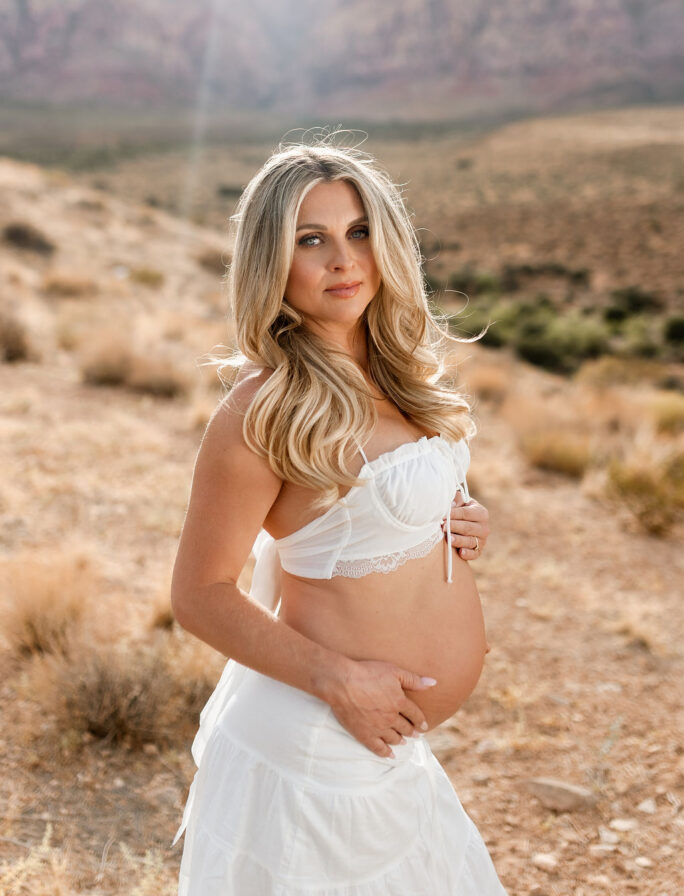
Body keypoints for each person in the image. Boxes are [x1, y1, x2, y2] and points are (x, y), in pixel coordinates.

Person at [170, 133, 508, 894]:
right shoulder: (264, 409)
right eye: (310, 240)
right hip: (314, 754)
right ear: (271, 261)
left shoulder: (397, 375)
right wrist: (338, 681)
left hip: (386, 756)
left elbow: (369, 518)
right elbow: (199, 594)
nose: (343, 260)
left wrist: (456, 521)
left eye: (359, 232)